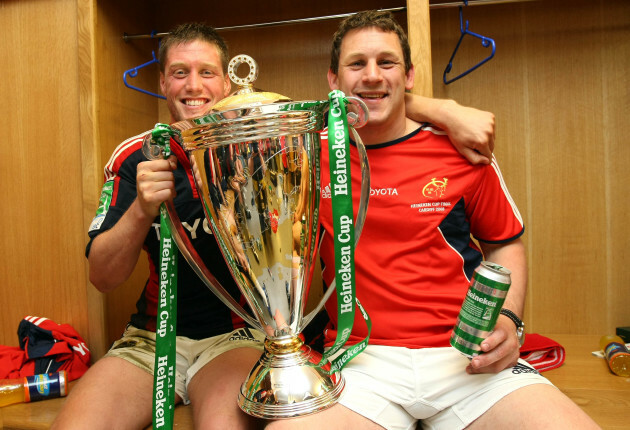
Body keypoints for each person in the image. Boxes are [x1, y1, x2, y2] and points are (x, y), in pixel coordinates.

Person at [52, 22, 498, 429]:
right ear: (162, 82)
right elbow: (102, 277)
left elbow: (356, 102)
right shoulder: (138, 156)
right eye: (179, 72)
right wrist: (141, 210)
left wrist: (444, 108)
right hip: (150, 339)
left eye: (207, 72)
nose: (194, 85)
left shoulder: (266, 141)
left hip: (239, 337)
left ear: (228, 82)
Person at [266, 10, 600, 430]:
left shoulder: (460, 149)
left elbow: (504, 242)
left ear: (408, 75)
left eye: (386, 63)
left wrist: (508, 320)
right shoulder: (306, 158)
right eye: (357, 64)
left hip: (466, 357)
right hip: (359, 362)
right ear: (333, 79)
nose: (371, 75)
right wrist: (441, 106)